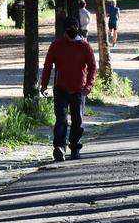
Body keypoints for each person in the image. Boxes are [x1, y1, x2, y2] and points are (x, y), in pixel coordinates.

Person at [41, 17, 97, 162]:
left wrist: (89, 85)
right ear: (63, 31)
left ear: (77, 29)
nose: (71, 32)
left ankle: (74, 147)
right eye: (68, 30)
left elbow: (92, 67)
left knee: (78, 121)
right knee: (62, 119)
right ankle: (59, 148)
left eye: (74, 29)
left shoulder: (85, 46)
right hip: (61, 90)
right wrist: (44, 85)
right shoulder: (56, 45)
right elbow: (47, 66)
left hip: (79, 90)